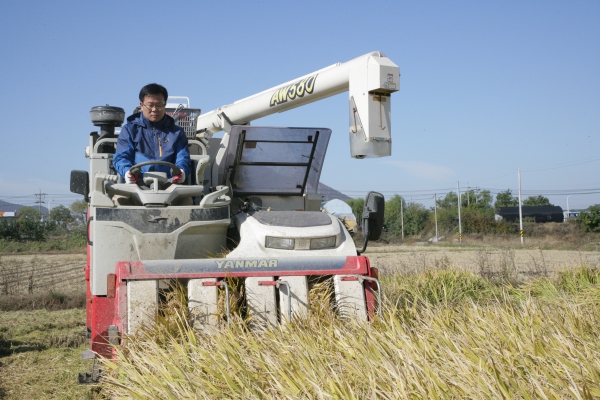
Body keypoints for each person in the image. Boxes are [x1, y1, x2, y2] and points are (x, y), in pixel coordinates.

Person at [112, 83, 192, 206]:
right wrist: (127, 172)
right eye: (150, 105)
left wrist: (182, 171)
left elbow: (183, 157)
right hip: (137, 186)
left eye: (159, 105)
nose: (155, 109)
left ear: (165, 105)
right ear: (141, 105)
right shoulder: (129, 130)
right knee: (119, 200)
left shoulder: (177, 132)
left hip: (169, 187)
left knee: (186, 201)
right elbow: (122, 157)